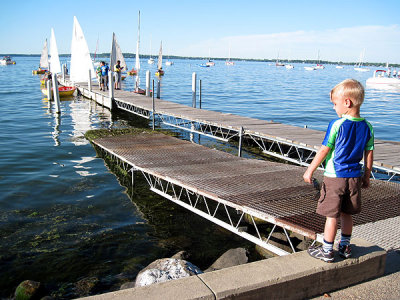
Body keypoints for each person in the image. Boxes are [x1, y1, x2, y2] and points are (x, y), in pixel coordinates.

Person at [303, 79, 374, 263]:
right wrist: (366, 177)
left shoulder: (337, 124)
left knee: (331, 215)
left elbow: (324, 150)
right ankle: (345, 246)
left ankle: (327, 250)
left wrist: (309, 171)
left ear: (347, 103)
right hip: (354, 177)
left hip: (335, 177)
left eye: (335, 104)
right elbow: (369, 155)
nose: (334, 108)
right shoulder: (368, 127)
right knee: (347, 213)